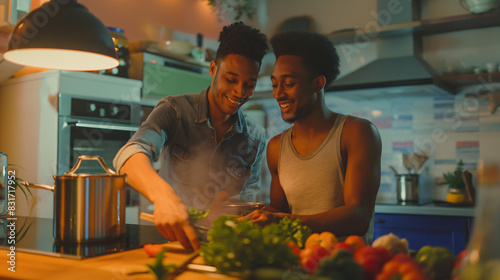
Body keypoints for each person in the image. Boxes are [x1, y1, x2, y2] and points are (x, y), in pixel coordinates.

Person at [113, 22, 269, 250]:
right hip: (168, 242)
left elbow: (247, 196)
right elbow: (129, 154)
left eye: (249, 84)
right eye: (231, 80)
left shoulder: (255, 136)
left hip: (221, 247)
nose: (239, 92)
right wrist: (164, 197)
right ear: (213, 69)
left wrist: (231, 208)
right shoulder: (174, 111)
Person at [244, 31, 382, 244]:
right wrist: (247, 214)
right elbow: (279, 210)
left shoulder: (356, 132)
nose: (278, 94)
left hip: (344, 266)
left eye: (288, 83)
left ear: (318, 84)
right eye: (274, 84)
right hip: (296, 263)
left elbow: (358, 216)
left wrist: (282, 222)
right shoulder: (276, 147)